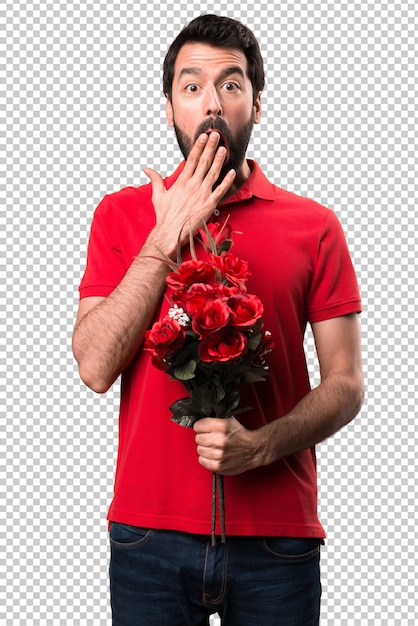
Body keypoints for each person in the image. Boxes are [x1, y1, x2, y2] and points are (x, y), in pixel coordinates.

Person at [72, 14, 364, 626]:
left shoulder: (315, 227)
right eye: (192, 85)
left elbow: (346, 384)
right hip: (146, 535)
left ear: (257, 106)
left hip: (277, 539)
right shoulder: (120, 216)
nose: (212, 103)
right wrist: (164, 237)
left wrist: (261, 447)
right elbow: (95, 367)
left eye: (232, 86)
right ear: (170, 106)